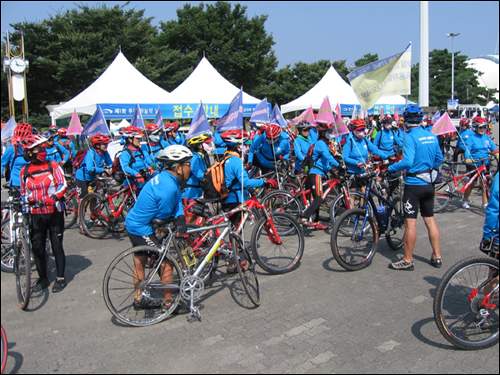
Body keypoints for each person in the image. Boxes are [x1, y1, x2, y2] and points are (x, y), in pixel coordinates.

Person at [124, 145, 193, 312]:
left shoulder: (167, 178)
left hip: (134, 222)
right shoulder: (168, 188)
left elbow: (177, 201)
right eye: (188, 164)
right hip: (141, 227)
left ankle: (139, 298)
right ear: (178, 167)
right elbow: (161, 219)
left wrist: (181, 215)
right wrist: (176, 220)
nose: (190, 168)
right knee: (166, 262)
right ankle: (168, 304)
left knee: (139, 261)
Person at [387, 104, 444, 271]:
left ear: (406, 121)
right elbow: (439, 158)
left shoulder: (410, 137)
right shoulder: (432, 136)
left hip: (413, 185)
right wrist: (427, 166)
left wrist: (389, 168)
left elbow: (408, 161)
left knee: (410, 224)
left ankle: (407, 260)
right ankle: (437, 256)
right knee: (430, 220)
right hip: (429, 184)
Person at [219, 130, 277, 272]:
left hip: (228, 198)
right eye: (244, 145)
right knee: (236, 232)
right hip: (235, 199)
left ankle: (235, 259)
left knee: (235, 230)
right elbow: (246, 182)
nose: (245, 148)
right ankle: (233, 263)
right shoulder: (236, 161)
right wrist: (264, 181)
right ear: (238, 146)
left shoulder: (225, 158)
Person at [19, 134, 68, 292]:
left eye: (44, 147)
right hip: (37, 214)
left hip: (54, 211)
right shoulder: (24, 170)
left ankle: (60, 278)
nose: (44, 150)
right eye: (40, 148)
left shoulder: (52, 165)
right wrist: (27, 202)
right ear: (30, 152)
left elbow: (63, 184)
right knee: (37, 247)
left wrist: (54, 197)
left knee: (56, 245)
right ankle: (42, 278)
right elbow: (23, 192)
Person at [300, 122, 342, 230]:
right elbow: (327, 156)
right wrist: (339, 165)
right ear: (323, 133)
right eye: (329, 132)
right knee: (319, 199)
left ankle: (316, 222)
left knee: (316, 199)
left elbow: (324, 162)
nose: (331, 134)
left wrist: (332, 170)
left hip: (318, 173)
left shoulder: (324, 144)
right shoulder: (321, 143)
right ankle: (305, 216)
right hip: (316, 175)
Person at [462, 117, 498, 210]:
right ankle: (465, 199)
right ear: (475, 128)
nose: (482, 130)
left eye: (484, 127)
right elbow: (467, 150)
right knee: (472, 184)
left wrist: (496, 152)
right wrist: (467, 158)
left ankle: (485, 203)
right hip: (474, 163)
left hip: (484, 163)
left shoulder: (486, 137)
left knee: (484, 184)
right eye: (480, 127)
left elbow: (492, 146)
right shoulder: (471, 138)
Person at [183, 134, 212, 223]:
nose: (210, 145)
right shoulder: (194, 158)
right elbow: (199, 174)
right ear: (199, 145)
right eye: (206, 143)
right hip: (190, 194)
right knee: (191, 220)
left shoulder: (202, 157)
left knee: (203, 219)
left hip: (199, 192)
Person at [74, 133, 112, 201]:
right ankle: (80, 211)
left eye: (107, 144)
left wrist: (111, 168)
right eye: (104, 144)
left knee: (94, 199)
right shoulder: (91, 153)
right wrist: (103, 170)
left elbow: (110, 163)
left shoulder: (105, 153)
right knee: (84, 200)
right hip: (82, 178)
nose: (106, 146)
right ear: (97, 145)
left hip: (93, 177)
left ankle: (94, 212)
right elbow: (90, 168)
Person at [1, 123, 32, 189]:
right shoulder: (12, 149)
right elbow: (2, 163)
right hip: (17, 183)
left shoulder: (33, 149)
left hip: (32, 182)